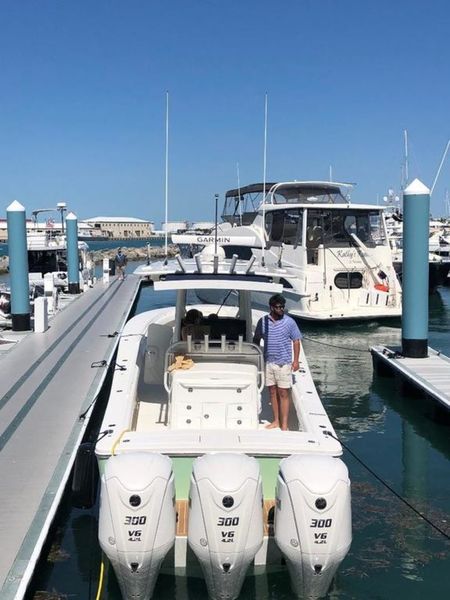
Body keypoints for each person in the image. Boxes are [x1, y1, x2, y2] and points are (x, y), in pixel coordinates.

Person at [253, 294, 302, 431]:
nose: (281, 309)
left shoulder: (290, 322)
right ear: (271, 307)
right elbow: (256, 339)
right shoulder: (263, 322)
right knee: (272, 392)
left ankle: (284, 424)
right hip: (269, 362)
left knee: (283, 393)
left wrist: (296, 361)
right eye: (278, 307)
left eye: (282, 307)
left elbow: (296, 341)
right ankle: (276, 421)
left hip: (284, 363)